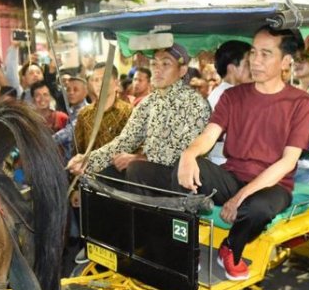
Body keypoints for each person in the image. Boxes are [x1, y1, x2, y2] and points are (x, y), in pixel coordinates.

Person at [175, 26, 309, 280]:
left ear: (285, 61)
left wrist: (240, 197)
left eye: (265, 54)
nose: (255, 61)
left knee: (256, 208)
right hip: (232, 176)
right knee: (183, 171)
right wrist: (188, 155)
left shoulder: (300, 101)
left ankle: (230, 248)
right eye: (253, 52)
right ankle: (180, 247)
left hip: (274, 185)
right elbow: (208, 136)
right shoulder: (232, 96)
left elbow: (288, 162)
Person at [67, 43, 210, 185]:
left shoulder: (195, 103)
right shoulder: (149, 102)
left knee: (136, 169)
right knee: (102, 174)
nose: (158, 70)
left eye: (165, 64)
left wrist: (140, 159)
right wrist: (89, 160)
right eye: (154, 64)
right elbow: (125, 141)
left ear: (182, 70)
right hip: (146, 172)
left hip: (181, 178)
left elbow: (183, 154)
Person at [207, 40, 253, 165]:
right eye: (248, 64)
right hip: (226, 164)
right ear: (232, 68)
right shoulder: (229, 95)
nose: (254, 68)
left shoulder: (221, 92)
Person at [74, 63, 133, 155]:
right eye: (95, 80)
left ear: (116, 83)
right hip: (89, 167)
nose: (99, 84)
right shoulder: (84, 114)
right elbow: (78, 150)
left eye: (104, 79)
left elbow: (133, 148)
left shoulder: (129, 112)